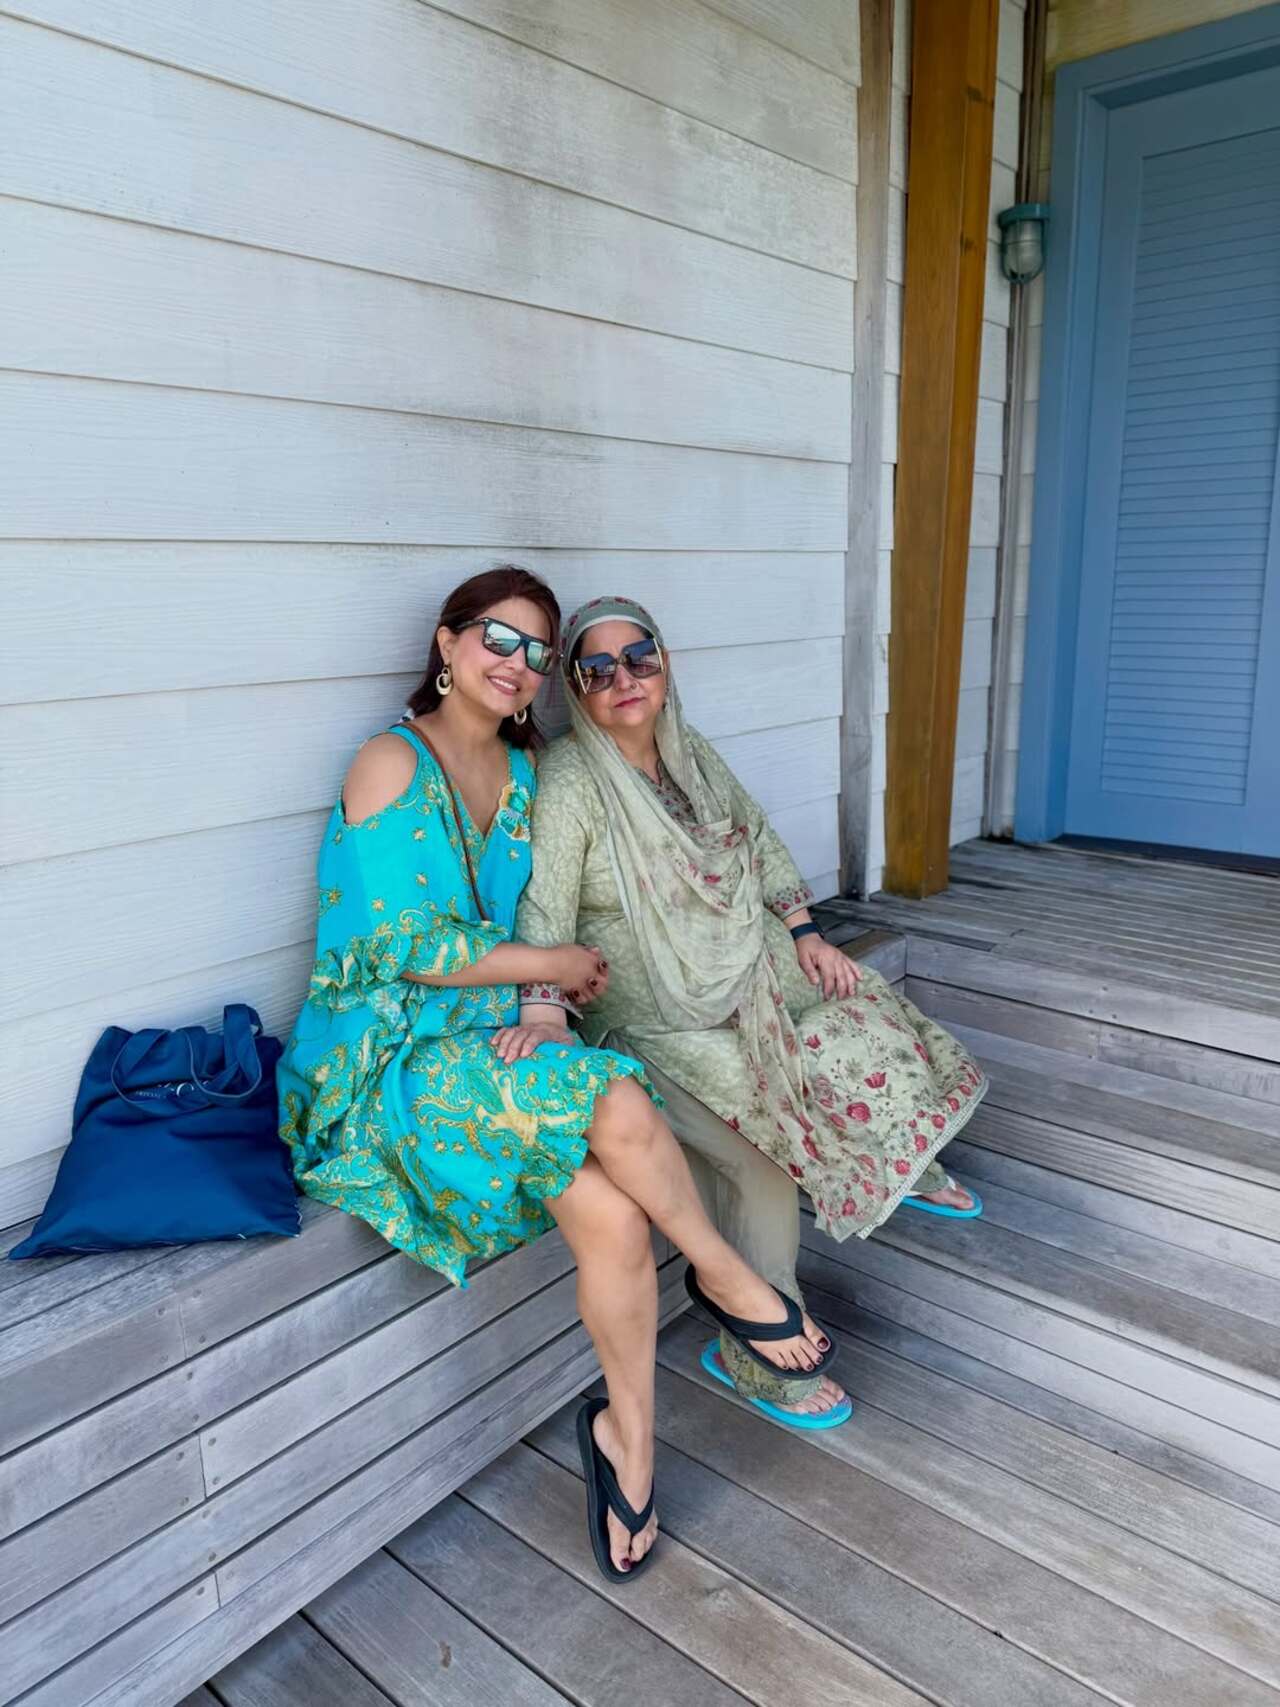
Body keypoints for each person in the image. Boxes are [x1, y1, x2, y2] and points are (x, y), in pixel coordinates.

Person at [277, 567, 839, 1583]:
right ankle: (722, 1272)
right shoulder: (388, 764)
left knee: (617, 1219)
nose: (518, 666)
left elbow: (554, 912)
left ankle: (629, 1441)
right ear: (446, 646)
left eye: (538, 654)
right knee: (610, 1088)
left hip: (486, 1047)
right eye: (498, 640)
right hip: (387, 1062)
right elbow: (405, 945)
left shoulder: (529, 775)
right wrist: (554, 972)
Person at [517, 596, 988, 1425]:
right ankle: (750, 1352)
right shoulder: (570, 782)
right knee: (758, 1150)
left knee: (857, 1004)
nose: (623, 680)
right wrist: (547, 1010)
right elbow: (544, 912)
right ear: (574, 691)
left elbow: (758, 839)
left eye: (640, 659)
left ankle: (898, 1155)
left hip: (746, 960)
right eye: (597, 670)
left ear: (666, 665)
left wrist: (804, 931)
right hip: (653, 1011)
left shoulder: (685, 750)